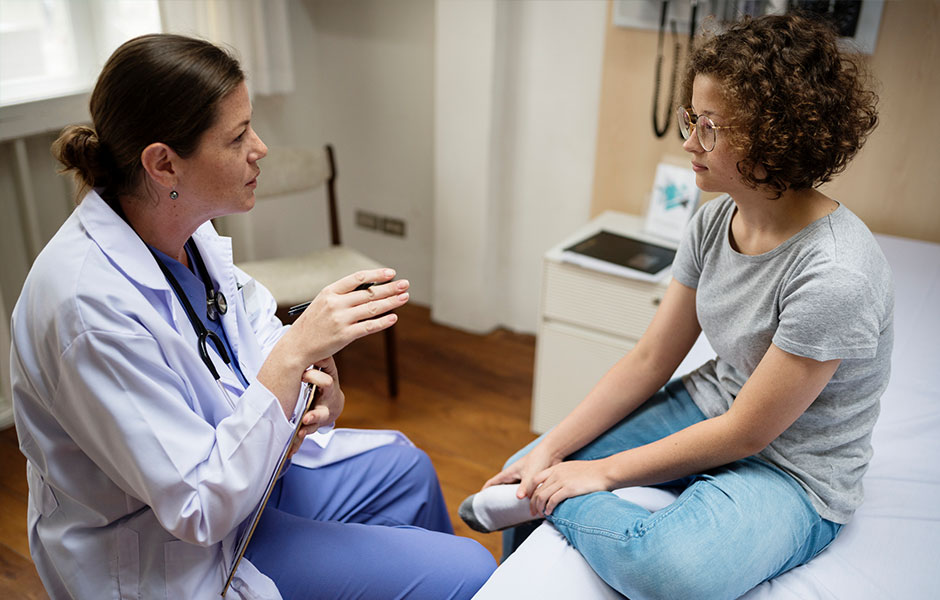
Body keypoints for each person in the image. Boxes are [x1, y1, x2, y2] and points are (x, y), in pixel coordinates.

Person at [10, 34, 495, 599]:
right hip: (173, 547)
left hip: (248, 486)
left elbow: (255, 343)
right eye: (238, 136)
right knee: (469, 570)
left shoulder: (188, 237)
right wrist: (296, 353)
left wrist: (316, 388)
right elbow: (196, 506)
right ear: (164, 163)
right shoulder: (87, 310)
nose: (260, 148)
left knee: (405, 469)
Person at [460, 13, 890, 600]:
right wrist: (552, 449)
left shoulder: (836, 273)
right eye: (692, 118)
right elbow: (649, 359)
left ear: (776, 135)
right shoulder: (714, 219)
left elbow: (746, 433)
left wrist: (598, 473)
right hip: (713, 404)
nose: (688, 141)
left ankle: (546, 507)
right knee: (528, 465)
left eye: (709, 127)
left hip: (794, 468)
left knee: (667, 570)